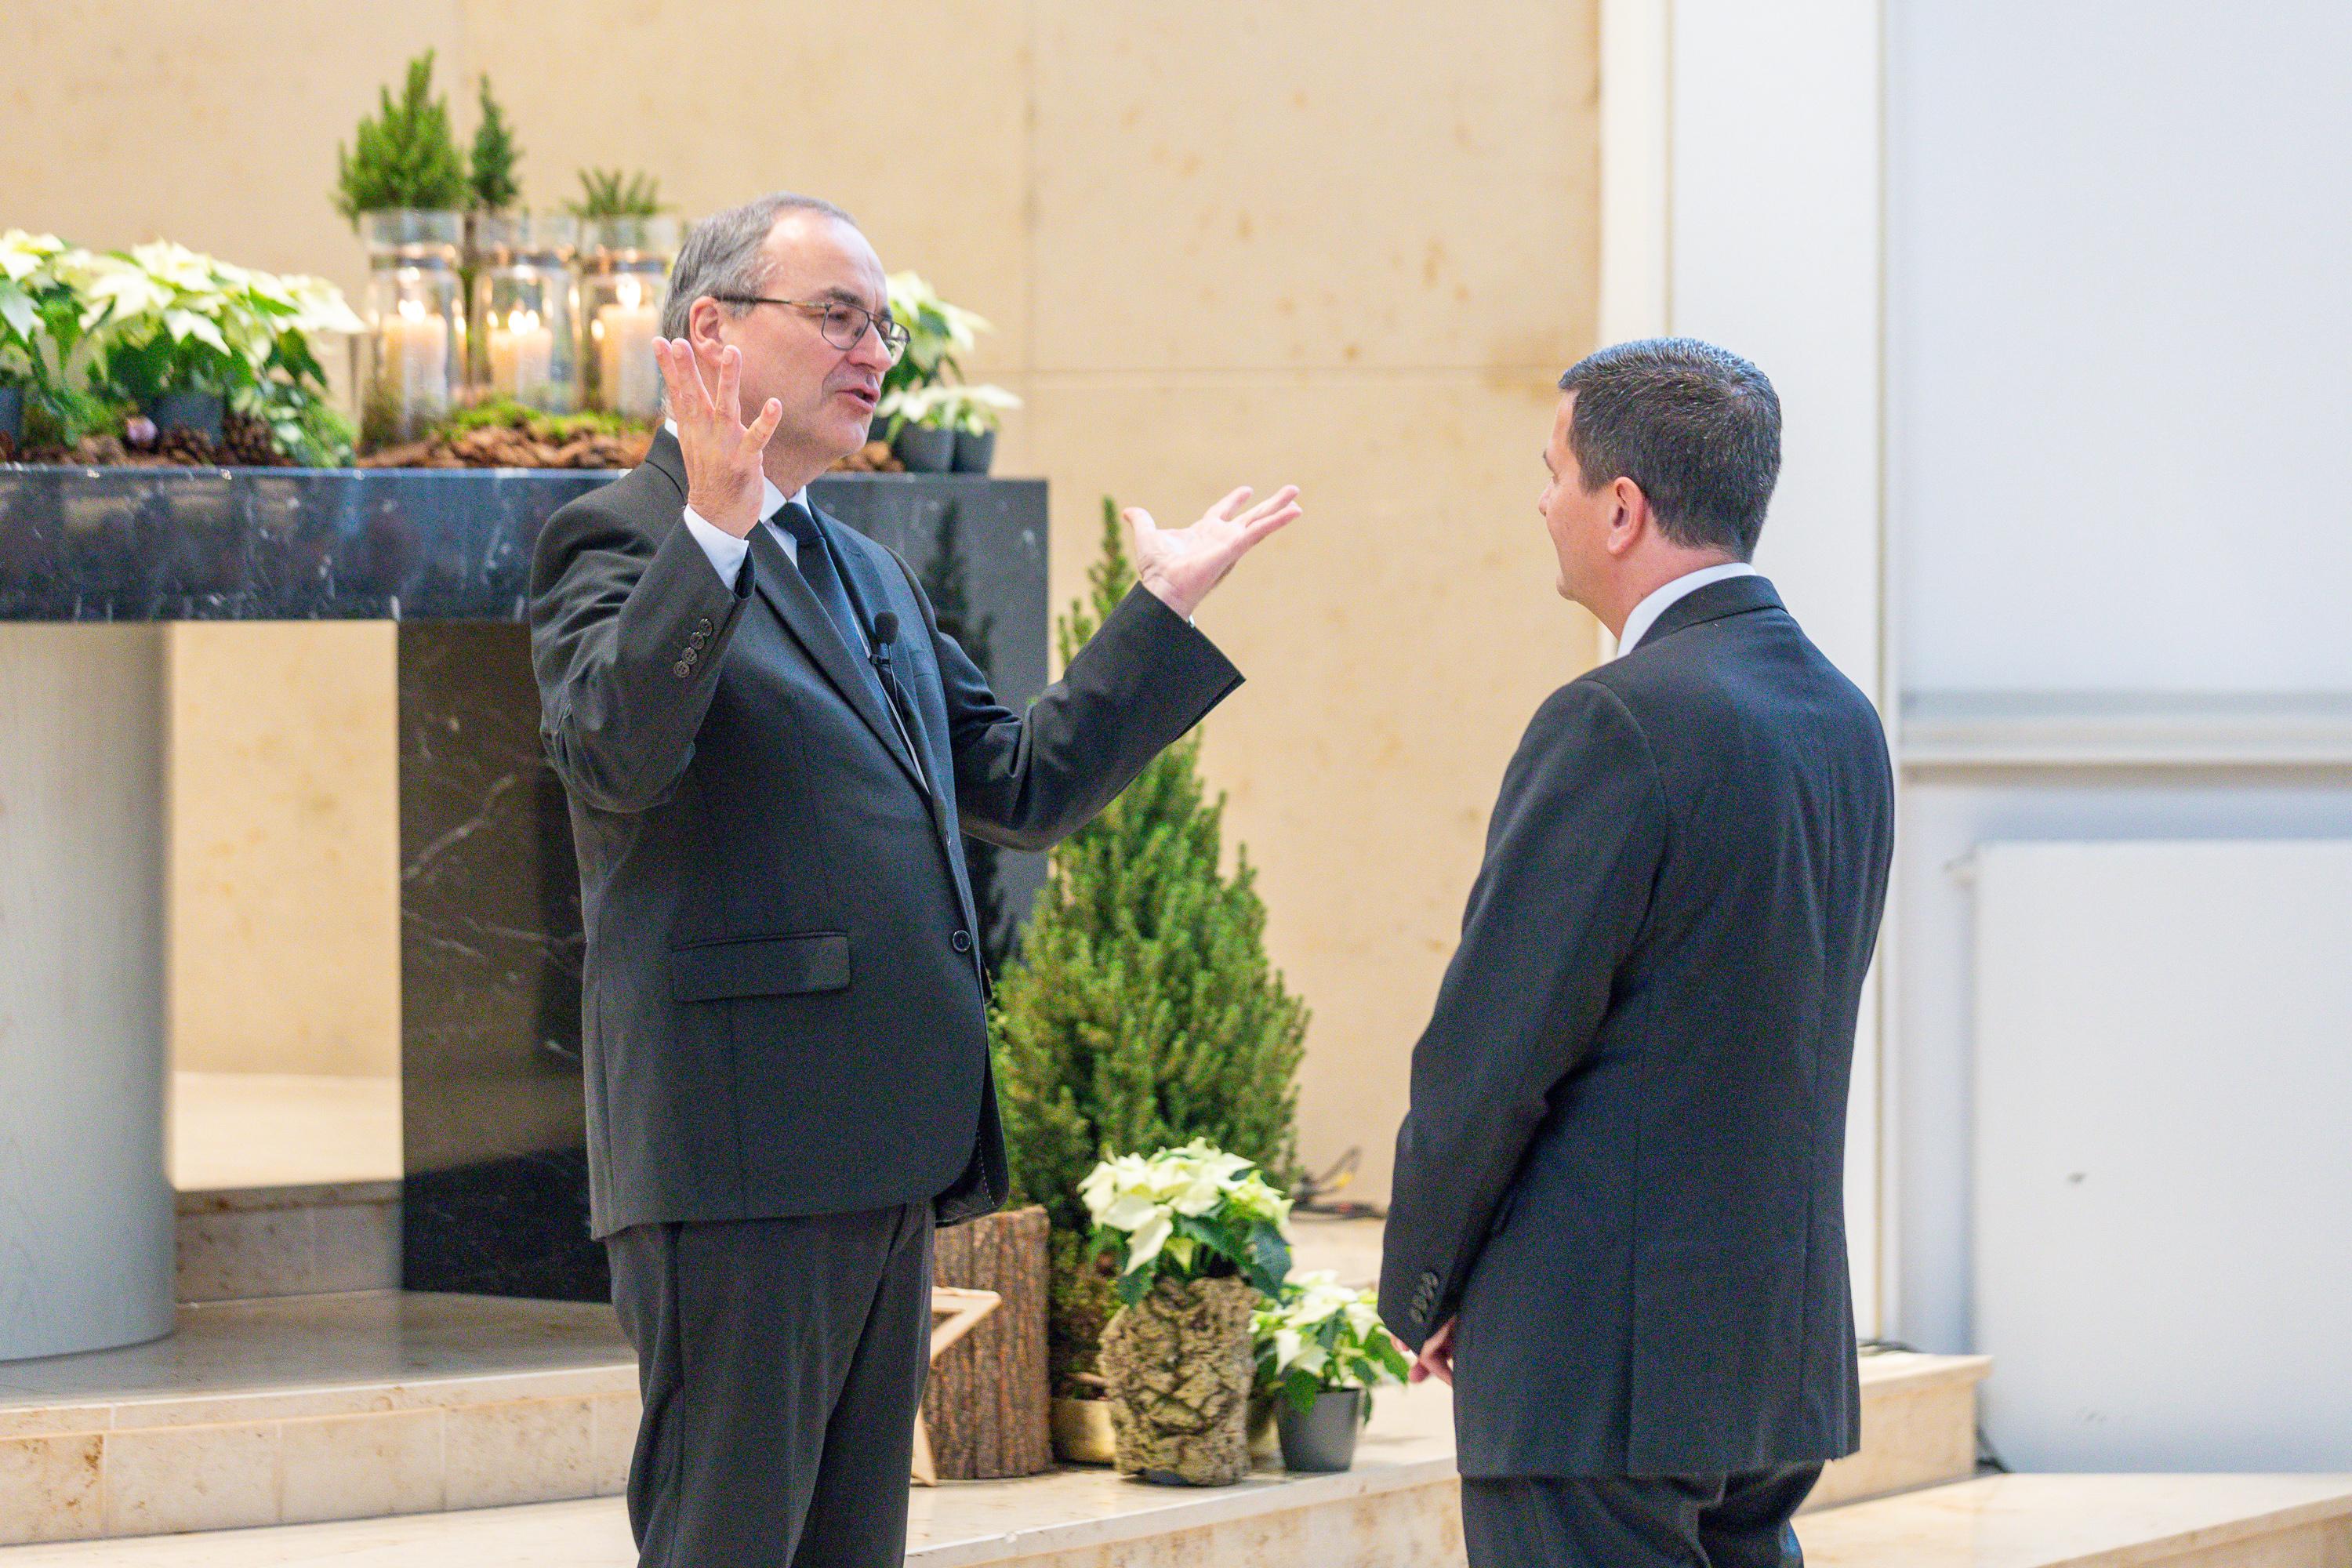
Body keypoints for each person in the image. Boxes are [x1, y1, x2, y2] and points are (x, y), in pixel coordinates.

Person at [528, 191, 1300, 1568]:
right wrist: (711, 534)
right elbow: (612, 754)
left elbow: (1020, 783)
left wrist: (1160, 612)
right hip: (742, 1158)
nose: (874, 351)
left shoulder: (863, 569)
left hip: (883, 1153)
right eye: (838, 316)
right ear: (711, 333)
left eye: (882, 325)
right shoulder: (620, 537)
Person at [1378, 338, 1894, 1567]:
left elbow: (1495, 1051)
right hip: (1769, 1352)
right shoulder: (1842, 718)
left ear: (1622, 508)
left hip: (1599, 1364)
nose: (1540, 503)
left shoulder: (1616, 720)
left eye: (1552, 471)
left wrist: (1426, 1280)